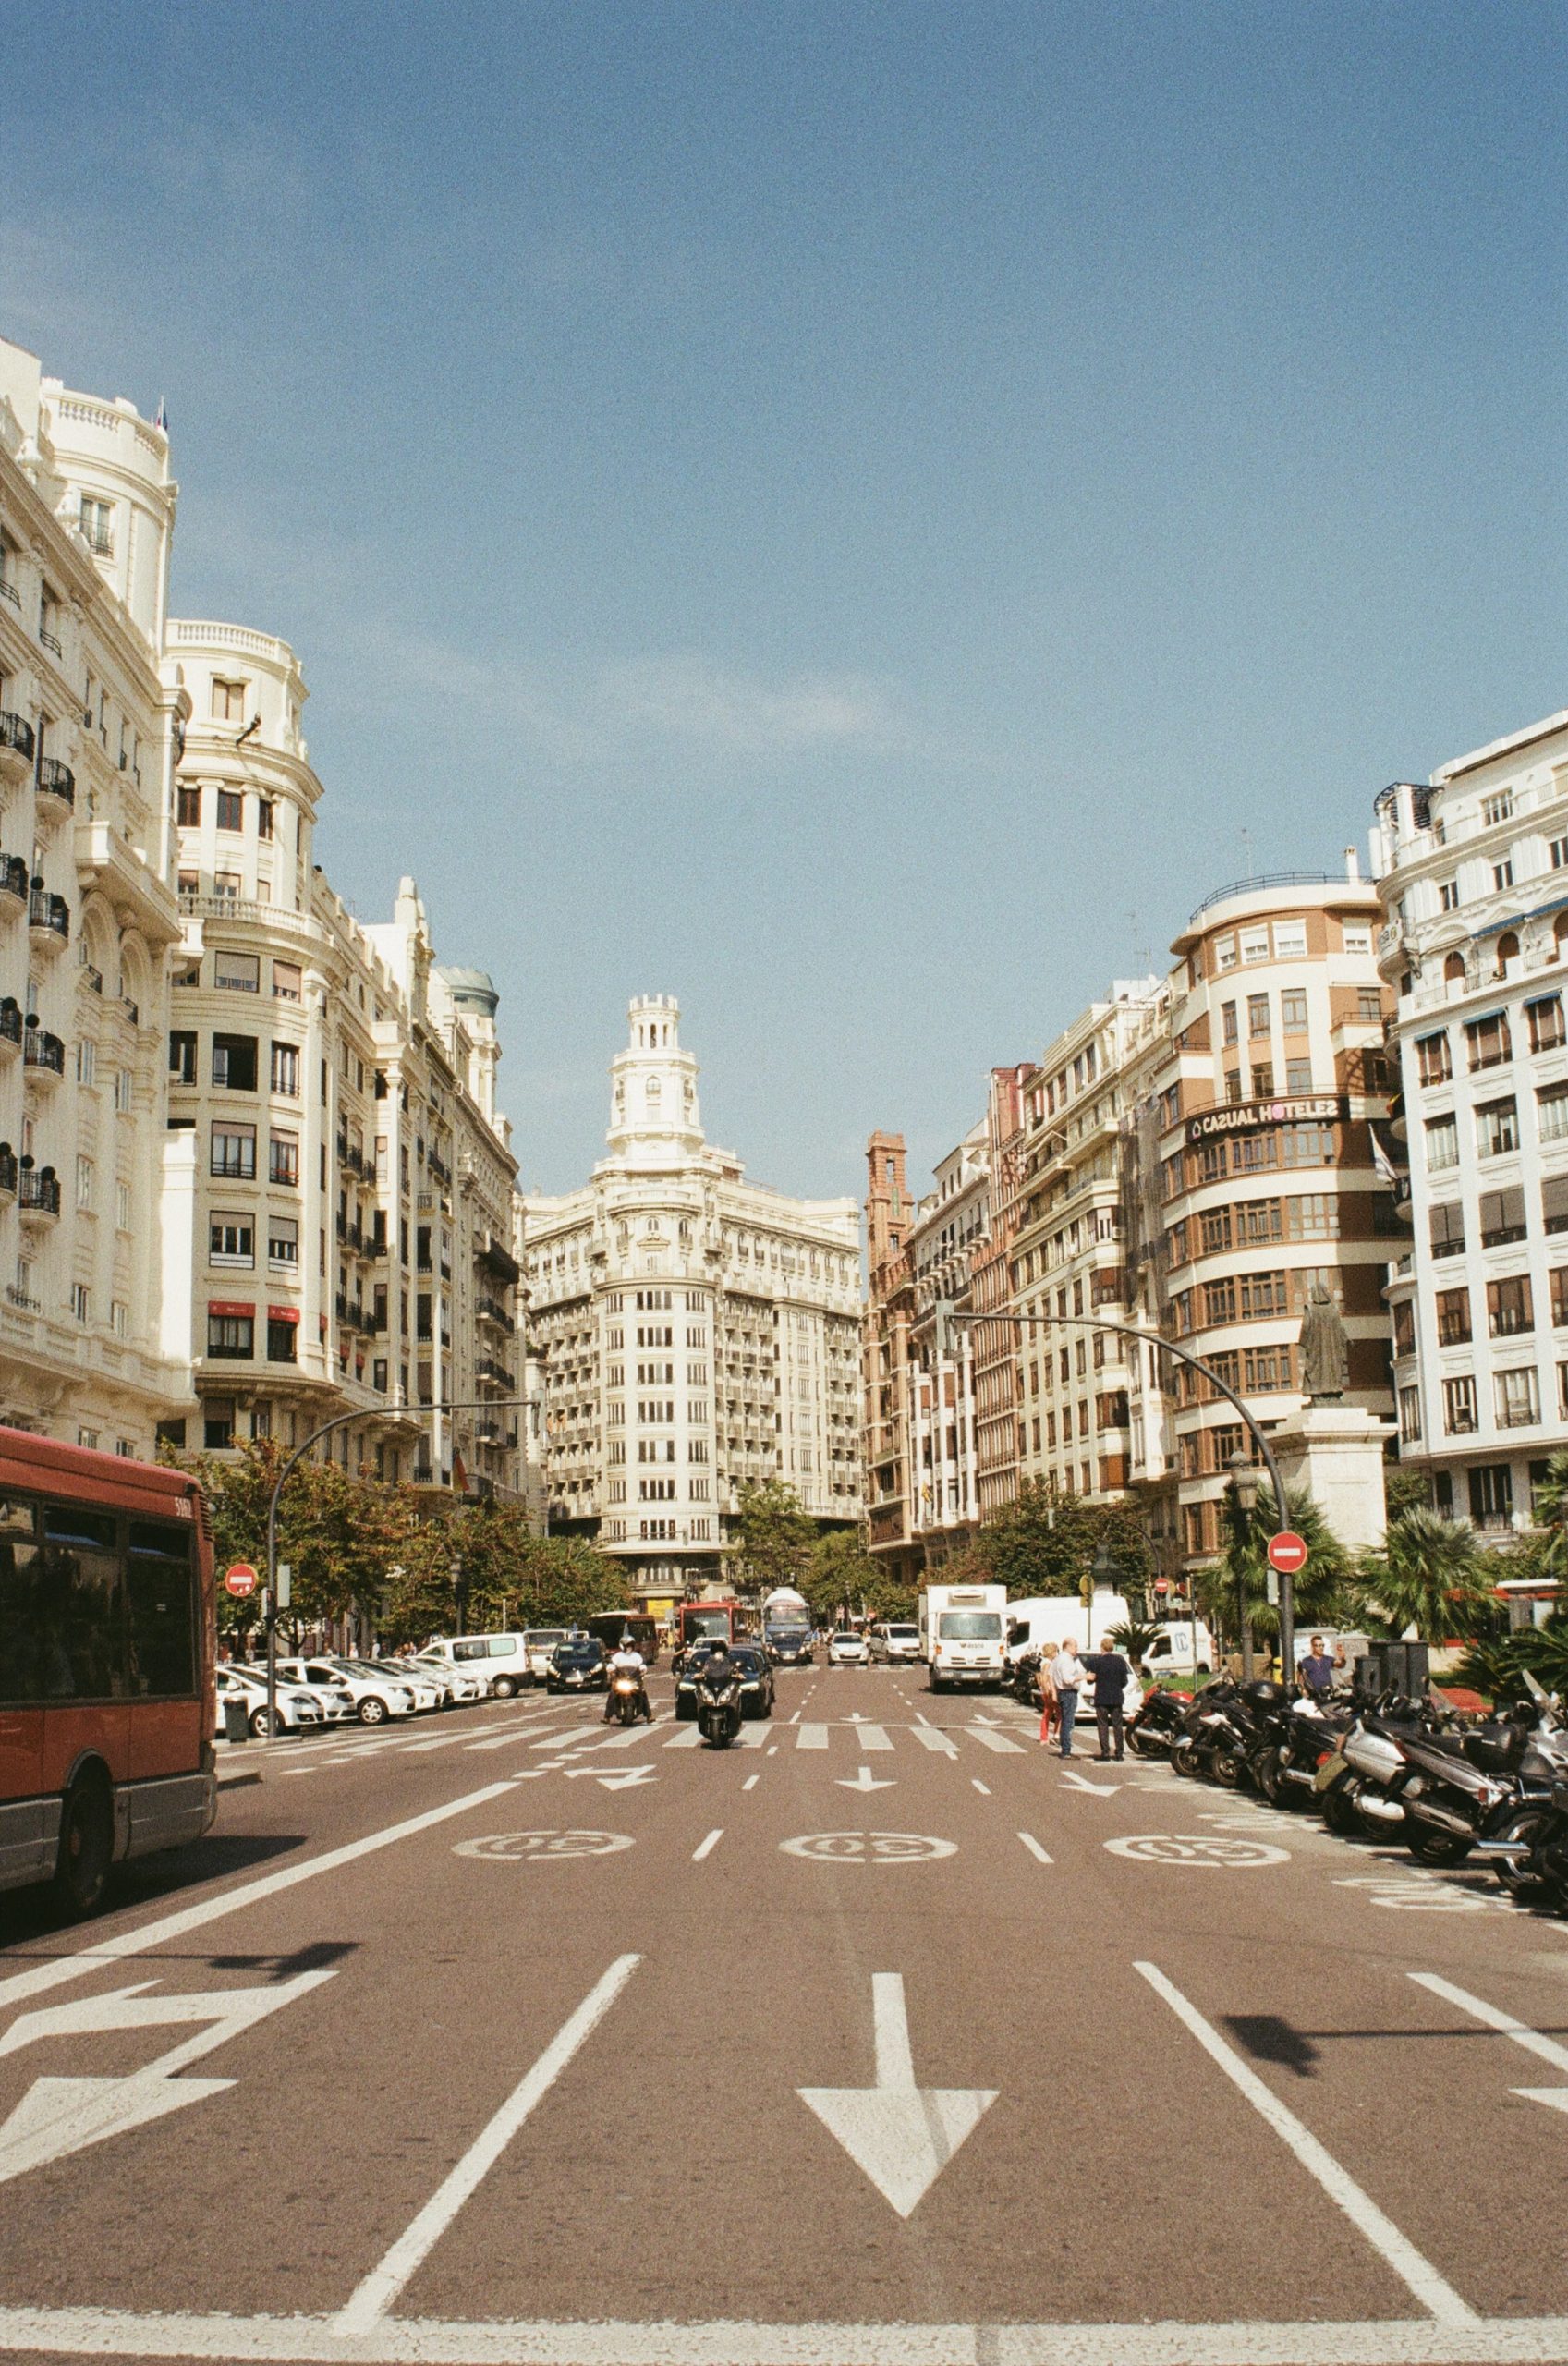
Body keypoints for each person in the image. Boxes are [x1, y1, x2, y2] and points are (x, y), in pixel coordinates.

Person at [1081, 1638, 1132, 1761]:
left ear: (1102, 1647)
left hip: (1101, 1697)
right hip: (1116, 1697)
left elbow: (1090, 1680)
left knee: (1102, 1725)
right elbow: (1124, 1681)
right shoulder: (1120, 1661)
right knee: (1117, 1725)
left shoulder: (1096, 1662)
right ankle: (1119, 1753)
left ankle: (1105, 1752)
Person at [603, 1630, 648, 1722]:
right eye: (627, 1645)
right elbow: (611, 1665)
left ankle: (649, 1715)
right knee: (612, 1694)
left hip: (633, 1680)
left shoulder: (636, 1656)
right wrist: (610, 1669)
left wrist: (643, 1670)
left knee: (642, 1693)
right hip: (620, 1680)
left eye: (631, 1645)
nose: (629, 1647)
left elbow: (641, 1664)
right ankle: (607, 1717)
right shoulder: (618, 1656)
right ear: (622, 1646)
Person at [1052, 1639, 1086, 1757]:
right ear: (1068, 1646)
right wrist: (1084, 1677)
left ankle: (1065, 1748)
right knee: (1068, 1721)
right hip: (1068, 1692)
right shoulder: (1065, 1660)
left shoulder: (1059, 1659)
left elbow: (1053, 1675)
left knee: (1066, 1720)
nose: (1077, 1649)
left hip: (1063, 1692)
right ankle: (1066, 1750)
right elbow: (1067, 1679)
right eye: (1075, 1646)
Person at [1298, 1635, 1342, 1700]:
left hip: (1329, 1694)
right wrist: (1303, 1690)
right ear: (1312, 1647)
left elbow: (1340, 1664)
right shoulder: (1306, 1661)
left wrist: (1342, 1658)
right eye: (1318, 1646)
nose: (1321, 1647)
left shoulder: (1328, 1659)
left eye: (1322, 1645)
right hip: (1314, 1696)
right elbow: (1301, 1678)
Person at [1036, 1640, 1062, 1749]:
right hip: (1049, 1692)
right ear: (1052, 1652)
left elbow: (1040, 1677)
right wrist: (1048, 1691)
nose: (1057, 1653)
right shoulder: (1048, 1663)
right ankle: (1056, 1735)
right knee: (1060, 1713)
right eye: (1056, 1651)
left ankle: (1044, 1737)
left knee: (1047, 1714)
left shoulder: (1044, 1662)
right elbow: (1044, 1678)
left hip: (1045, 1692)